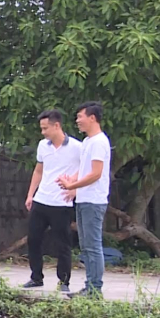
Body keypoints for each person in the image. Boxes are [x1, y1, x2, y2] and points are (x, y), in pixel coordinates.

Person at [23, 109, 81, 292]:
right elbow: (39, 170)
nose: (43, 132)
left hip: (62, 202)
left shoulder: (77, 147)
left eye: (45, 128)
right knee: (33, 239)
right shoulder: (43, 146)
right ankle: (36, 277)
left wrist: (75, 189)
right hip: (42, 199)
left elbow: (88, 170)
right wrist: (31, 194)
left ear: (57, 125)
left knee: (62, 243)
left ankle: (64, 281)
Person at [56, 101, 110, 297]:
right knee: (86, 245)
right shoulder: (88, 142)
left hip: (94, 201)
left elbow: (96, 173)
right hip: (83, 199)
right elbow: (85, 169)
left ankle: (95, 288)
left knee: (93, 245)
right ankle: (89, 286)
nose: (77, 121)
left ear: (92, 118)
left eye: (80, 117)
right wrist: (72, 178)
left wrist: (73, 186)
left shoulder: (99, 142)